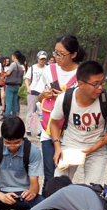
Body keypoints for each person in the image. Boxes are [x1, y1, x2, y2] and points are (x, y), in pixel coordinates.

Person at [49, 60, 107, 184]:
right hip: (71, 144)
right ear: (81, 84)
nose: (100, 88)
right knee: (58, 183)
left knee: (93, 188)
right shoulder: (65, 98)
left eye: (102, 83)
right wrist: (57, 147)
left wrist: (94, 148)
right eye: (95, 84)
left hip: (97, 148)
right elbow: (54, 123)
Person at [37, 34, 84, 183]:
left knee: (63, 179)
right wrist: (44, 95)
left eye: (62, 54)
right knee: (49, 176)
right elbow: (38, 99)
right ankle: (46, 205)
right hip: (49, 130)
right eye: (55, 53)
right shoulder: (48, 70)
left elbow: (87, 104)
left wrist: (67, 97)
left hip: (72, 134)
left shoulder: (83, 74)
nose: (57, 57)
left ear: (74, 54)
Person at [25, 51, 49, 138]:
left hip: (43, 93)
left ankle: (40, 131)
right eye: (41, 58)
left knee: (41, 112)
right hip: (33, 91)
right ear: (37, 58)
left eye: (44, 59)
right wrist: (28, 88)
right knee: (31, 111)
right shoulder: (32, 68)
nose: (42, 60)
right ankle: (28, 129)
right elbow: (27, 79)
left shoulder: (47, 68)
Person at [2, 51, 26, 119]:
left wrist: (4, 75)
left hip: (10, 85)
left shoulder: (13, 64)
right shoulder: (20, 66)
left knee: (9, 102)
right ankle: (15, 116)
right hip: (17, 86)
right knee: (15, 102)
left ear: (14, 57)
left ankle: (6, 116)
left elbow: (8, 73)